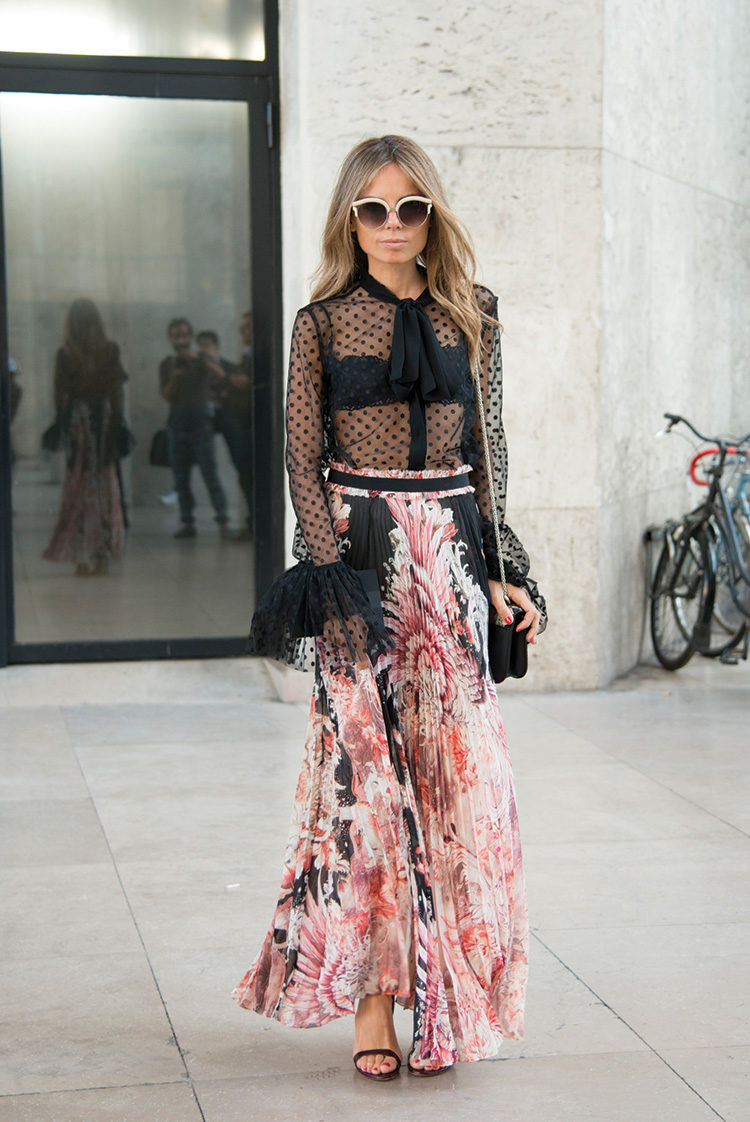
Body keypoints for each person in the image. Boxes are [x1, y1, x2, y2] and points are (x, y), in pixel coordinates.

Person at [233, 136, 547, 1081]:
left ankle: (446, 994)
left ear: (434, 216)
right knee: (366, 794)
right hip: (359, 557)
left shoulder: (473, 315)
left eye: (413, 208)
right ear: (350, 219)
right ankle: (374, 1006)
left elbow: (490, 457)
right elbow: (302, 467)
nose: (395, 226)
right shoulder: (320, 324)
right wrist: (333, 585)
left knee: (458, 788)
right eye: (376, 209)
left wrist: (502, 570)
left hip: (450, 558)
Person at [42, 298, 126, 575]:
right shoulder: (110, 350)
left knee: (77, 485)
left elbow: (60, 394)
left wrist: (61, 422)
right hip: (102, 420)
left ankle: (80, 555)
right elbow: (117, 393)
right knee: (103, 484)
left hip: (78, 422)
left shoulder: (65, 353)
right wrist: (117, 422)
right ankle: (101, 553)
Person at [158, 318, 231, 538]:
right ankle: (187, 522)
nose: (180, 340)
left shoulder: (200, 358)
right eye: (175, 335)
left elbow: (221, 375)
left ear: (190, 337)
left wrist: (198, 359)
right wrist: (175, 377)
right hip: (177, 426)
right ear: (170, 339)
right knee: (180, 479)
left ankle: (223, 523)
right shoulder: (168, 364)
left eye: (183, 335)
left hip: (201, 426)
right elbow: (166, 396)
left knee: (210, 475)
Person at [196, 328, 253, 540]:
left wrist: (216, 370)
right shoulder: (196, 369)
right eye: (200, 345)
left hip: (233, 422)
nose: (204, 350)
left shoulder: (228, 366)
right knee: (209, 468)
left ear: (216, 347)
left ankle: (249, 523)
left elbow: (241, 384)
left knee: (243, 468)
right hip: (204, 423)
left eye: (207, 345)